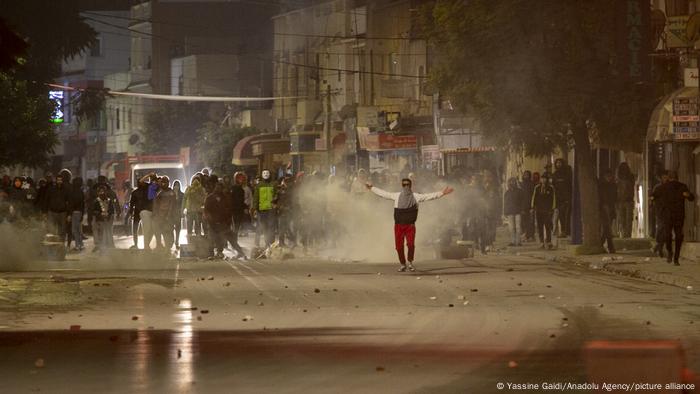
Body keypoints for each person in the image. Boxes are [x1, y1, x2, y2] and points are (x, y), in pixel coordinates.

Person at [365, 178, 453, 272]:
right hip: (399, 226)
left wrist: (442, 193)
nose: (406, 186)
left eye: (408, 185)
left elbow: (429, 196)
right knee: (399, 247)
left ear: (410, 186)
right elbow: (384, 194)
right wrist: (372, 188)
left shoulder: (416, 196)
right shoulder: (397, 196)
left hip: (410, 226)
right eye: (404, 185)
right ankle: (403, 264)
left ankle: (410, 262)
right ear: (402, 186)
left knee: (411, 245)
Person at [651, 171, 695, 265]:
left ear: (668, 178)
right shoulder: (682, 186)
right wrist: (688, 195)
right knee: (679, 236)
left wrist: (654, 202)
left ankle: (670, 253)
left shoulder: (662, 188)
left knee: (668, 236)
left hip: (667, 215)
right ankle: (676, 258)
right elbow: (691, 198)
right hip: (679, 215)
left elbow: (653, 197)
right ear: (677, 177)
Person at [205, 182, 246, 259]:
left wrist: (228, 221)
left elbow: (228, 210)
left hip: (223, 222)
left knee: (230, 238)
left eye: (220, 187)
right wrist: (210, 220)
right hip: (213, 223)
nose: (218, 189)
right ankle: (212, 254)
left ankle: (239, 252)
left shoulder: (225, 198)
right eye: (217, 187)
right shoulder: (210, 198)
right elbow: (206, 210)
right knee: (213, 238)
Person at [252, 169, 277, 250]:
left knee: (271, 227)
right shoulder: (259, 185)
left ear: (270, 174)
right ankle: (267, 243)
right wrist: (255, 208)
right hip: (261, 210)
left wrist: (276, 203)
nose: (266, 174)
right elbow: (256, 197)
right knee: (264, 227)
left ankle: (272, 243)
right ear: (262, 175)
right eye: (264, 173)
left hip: (271, 209)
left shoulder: (274, 184)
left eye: (267, 173)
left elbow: (277, 194)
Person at [531, 173, 556, 249]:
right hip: (539, 210)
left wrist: (553, 208)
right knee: (540, 227)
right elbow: (534, 197)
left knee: (548, 226)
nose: (543, 180)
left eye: (545, 178)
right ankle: (541, 242)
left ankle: (549, 241)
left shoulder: (551, 188)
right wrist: (532, 207)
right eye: (542, 178)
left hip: (547, 210)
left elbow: (553, 198)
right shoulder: (537, 187)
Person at [153, 176, 176, 251]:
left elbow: (172, 205)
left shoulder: (171, 192)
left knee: (169, 232)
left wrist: (169, 216)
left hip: (169, 216)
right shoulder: (159, 192)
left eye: (165, 182)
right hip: (160, 216)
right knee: (163, 231)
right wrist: (155, 214)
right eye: (162, 182)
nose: (163, 184)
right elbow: (156, 204)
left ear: (168, 183)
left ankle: (169, 246)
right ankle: (165, 248)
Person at [43, 174, 70, 240]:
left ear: (62, 181)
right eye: (58, 180)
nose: (59, 181)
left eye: (60, 180)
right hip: (52, 212)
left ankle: (61, 243)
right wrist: (44, 212)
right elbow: (46, 200)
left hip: (62, 212)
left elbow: (69, 202)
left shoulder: (66, 189)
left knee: (62, 229)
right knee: (52, 229)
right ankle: (52, 243)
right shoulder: (51, 189)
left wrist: (69, 214)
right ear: (56, 180)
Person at [91, 185, 115, 252]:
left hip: (108, 219)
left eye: (103, 191)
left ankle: (109, 245)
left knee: (108, 232)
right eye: (100, 191)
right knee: (99, 233)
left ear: (106, 192)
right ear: (98, 192)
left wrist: (110, 216)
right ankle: (98, 246)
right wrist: (99, 215)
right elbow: (93, 210)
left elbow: (111, 210)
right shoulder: (96, 201)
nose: (102, 193)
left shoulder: (109, 201)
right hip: (99, 219)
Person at [552, 158, 572, 237]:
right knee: (561, 216)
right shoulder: (555, 174)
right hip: (558, 198)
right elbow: (553, 187)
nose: (558, 164)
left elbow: (569, 185)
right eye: (557, 163)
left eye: (560, 163)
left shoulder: (567, 174)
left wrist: (568, 197)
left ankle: (567, 231)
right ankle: (563, 231)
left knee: (567, 215)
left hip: (567, 197)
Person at [598, 171, 617, 254]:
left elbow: (614, 197)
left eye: (610, 176)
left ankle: (605, 245)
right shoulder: (602, 186)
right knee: (607, 228)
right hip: (604, 208)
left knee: (607, 229)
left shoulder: (612, 185)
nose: (609, 178)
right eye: (607, 176)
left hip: (610, 208)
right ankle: (609, 246)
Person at [616, 162, 635, 238]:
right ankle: (627, 234)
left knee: (623, 219)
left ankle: (625, 234)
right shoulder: (630, 177)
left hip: (622, 201)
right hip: (628, 200)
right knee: (628, 219)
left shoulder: (619, 178)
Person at [139, 172, 158, 250]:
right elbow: (141, 181)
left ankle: (147, 245)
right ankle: (146, 247)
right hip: (145, 210)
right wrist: (148, 175)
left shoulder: (157, 187)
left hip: (153, 211)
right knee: (147, 229)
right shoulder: (146, 186)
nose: (153, 180)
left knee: (153, 229)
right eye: (152, 179)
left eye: (154, 179)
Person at [128, 179, 149, 249]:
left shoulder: (144, 192)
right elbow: (131, 204)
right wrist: (131, 213)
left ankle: (144, 245)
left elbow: (131, 204)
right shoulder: (135, 192)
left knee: (141, 229)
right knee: (136, 229)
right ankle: (138, 244)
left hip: (142, 211)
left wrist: (131, 212)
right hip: (139, 212)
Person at [503, 177, 524, 247]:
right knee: (511, 228)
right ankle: (512, 241)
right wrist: (505, 212)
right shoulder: (507, 193)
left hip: (518, 211)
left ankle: (518, 241)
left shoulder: (520, 191)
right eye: (510, 182)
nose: (512, 183)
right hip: (510, 212)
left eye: (513, 182)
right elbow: (505, 203)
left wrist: (522, 210)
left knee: (518, 227)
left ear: (515, 183)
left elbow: (522, 201)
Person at [68, 177, 85, 251]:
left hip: (74, 212)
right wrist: (82, 213)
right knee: (78, 229)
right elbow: (83, 204)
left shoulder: (72, 192)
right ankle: (81, 244)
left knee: (74, 230)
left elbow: (71, 204)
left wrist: (69, 213)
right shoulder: (81, 192)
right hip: (80, 212)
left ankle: (78, 245)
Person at [520, 171, 535, 241]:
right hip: (523, 206)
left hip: (530, 205)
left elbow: (533, 195)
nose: (526, 176)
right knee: (523, 222)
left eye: (527, 175)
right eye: (525, 175)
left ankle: (531, 235)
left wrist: (533, 206)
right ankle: (525, 235)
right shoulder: (521, 184)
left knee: (531, 221)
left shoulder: (532, 184)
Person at [172, 180, 184, 249]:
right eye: (175, 185)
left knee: (178, 228)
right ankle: (172, 240)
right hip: (171, 213)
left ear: (179, 186)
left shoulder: (182, 194)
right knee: (171, 228)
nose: (176, 186)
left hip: (178, 213)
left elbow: (183, 204)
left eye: (178, 185)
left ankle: (177, 241)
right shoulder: (170, 193)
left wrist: (182, 212)